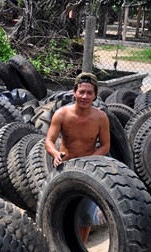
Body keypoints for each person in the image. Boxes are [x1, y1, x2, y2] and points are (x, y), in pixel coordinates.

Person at [44, 72, 110, 243]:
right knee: (58, 210)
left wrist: (90, 161)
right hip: (64, 167)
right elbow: (49, 141)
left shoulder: (101, 117)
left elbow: (105, 146)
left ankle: (79, 249)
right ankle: (57, 246)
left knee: (86, 213)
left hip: (88, 170)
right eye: (81, 92)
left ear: (95, 95)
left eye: (89, 93)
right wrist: (55, 153)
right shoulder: (62, 114)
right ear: (74, 92)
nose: (84, 96)